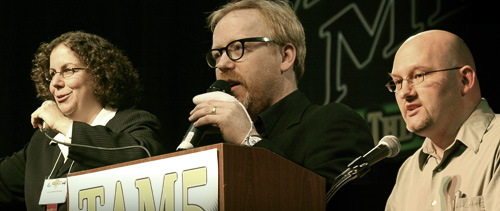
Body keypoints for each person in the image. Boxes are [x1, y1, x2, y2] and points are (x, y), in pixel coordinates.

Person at [189, 0, 375, 208]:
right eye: (217, 54)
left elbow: (329, 203)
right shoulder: (216, 146)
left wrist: (248, 140)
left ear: (285, 57)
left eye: (237, 48)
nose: (222, 64)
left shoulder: (334, 124)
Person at [0, 31, 165, 210]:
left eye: (68, 70)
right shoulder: (42, 142)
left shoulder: (132, 122)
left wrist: (65, 125)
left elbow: (146, 159)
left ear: (99, 73)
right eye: (52, 73)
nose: (55, 82)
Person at [385, 30, 500, 210]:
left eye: (418, 76)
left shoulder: (496, 145)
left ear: (464, 80)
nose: (404, 92)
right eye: (398, 81)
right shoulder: (407, 174)